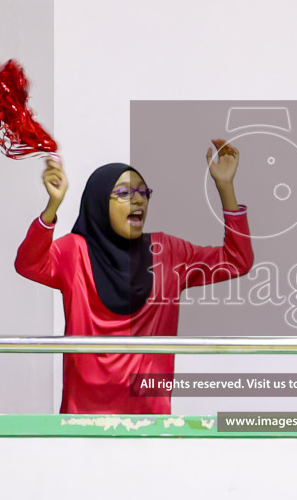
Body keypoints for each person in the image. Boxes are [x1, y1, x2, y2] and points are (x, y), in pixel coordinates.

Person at [15, 146, 253, 413]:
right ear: (99, 202)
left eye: (143, 192)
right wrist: (53, 205)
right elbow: (28, 264)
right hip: (82, 421)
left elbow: (236, 261)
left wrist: (225, 188)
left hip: (149, 422)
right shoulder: (74, 252)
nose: (138, 200)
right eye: (125, 193)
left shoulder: (168, 253)